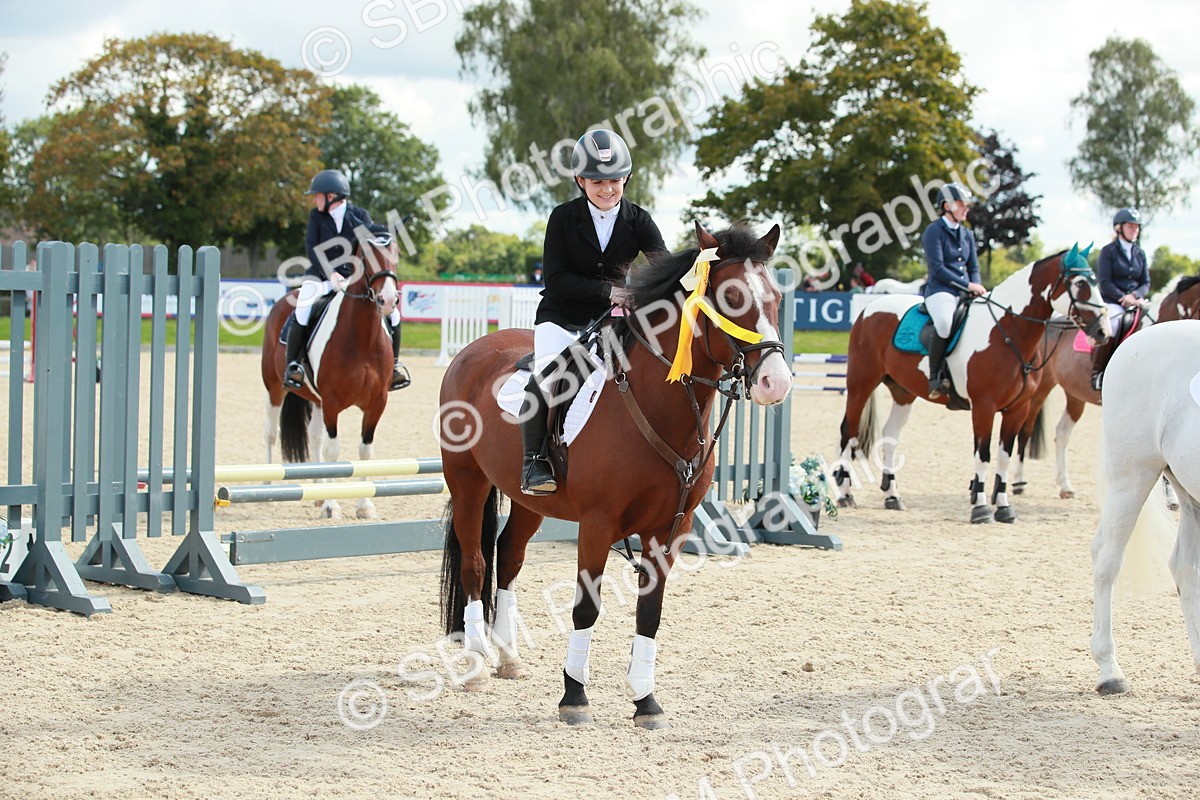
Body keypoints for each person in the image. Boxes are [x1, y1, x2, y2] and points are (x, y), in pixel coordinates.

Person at [519, 129, 667, 495]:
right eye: (597, 181)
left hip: (608, 326)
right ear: (580, 180)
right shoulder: (562, 218)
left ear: (625, 178)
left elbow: (663, 268)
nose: (607, 189)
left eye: (614, 180)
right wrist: (611, 291)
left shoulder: (640, 220)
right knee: (546, 379)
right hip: (561, 319)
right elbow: (556, 280)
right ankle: (534, 461)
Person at [284, 169, 410, 392]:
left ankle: (395, 366)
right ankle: (294, 364)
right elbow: (312, 248)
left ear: (331, 196)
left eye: (317, 195)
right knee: (303, 306)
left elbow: (372, 245)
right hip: (321, 276)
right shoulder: (316, 217)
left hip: (354, 277)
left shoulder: (360, 215)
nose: (314, 200)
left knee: (394, 314)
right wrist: (331, 274)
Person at [921, 183, 986, 398]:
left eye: (966, 205)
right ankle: (934, 377)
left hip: (967, 292)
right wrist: (967, 285)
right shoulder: (933, 231)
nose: (966, 208)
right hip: (941, 291)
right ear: (946, 206)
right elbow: (937, 269)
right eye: (961, 204)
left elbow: (973, 267)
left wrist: (976, 287)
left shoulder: (967, 234)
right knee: (944, 323)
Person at [1090, 207, 1149, 391]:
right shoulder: (1108, 252)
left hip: (1136, 301)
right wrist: (1122, 297)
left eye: (1136, 227)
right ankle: (1098, 372)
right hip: (1113, 302)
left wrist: (1135, 296)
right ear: (1119, 228)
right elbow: (1104, 281)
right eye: (1130, 226)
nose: (1134, 230)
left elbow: (1145, 282)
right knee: (1113, 324)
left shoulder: (1140, 253)